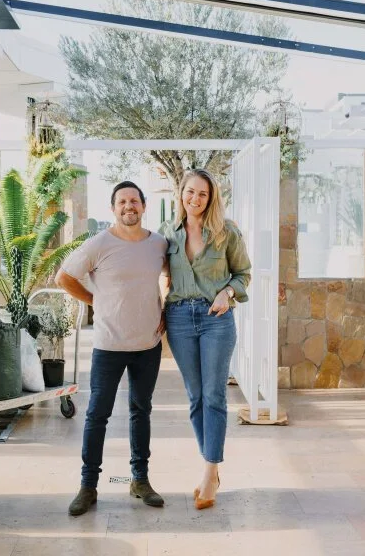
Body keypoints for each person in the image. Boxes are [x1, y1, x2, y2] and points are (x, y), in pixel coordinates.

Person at [55, 181, 168, 516]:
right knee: (97, 415)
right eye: (122, 201)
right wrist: (95, 301)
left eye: (134, 200)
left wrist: (166, 306)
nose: (128, 206)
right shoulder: (98, 244)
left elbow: (171, 275)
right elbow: (63, 277)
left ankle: (140, 480)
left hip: (147, 344)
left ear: (143, 205)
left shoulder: (159, 244)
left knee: (140, 411)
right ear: (113, 208)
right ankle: (88, 486)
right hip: (108, 345)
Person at [160, 168, 251, 511]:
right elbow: (158, 274)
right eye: (190, 192)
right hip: (180, 318)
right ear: (180, 193)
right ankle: (209, 465)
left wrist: (228, 292)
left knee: (214, 396)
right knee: (195, 397)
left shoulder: (227, 232)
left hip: (216, 319)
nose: (195, 199)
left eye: (203, 194)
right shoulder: (167, 234)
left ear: (211, 198)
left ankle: (210, 471)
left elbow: (244, 273)